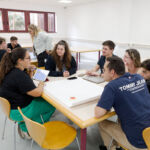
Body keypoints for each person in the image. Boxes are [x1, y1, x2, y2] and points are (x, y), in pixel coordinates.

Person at [95, 56, 150, 150]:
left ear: (112, 72)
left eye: (104, 70)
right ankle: (117, 145)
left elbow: (98, 113)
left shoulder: (111, 87)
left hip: (140, 143)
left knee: (102, 122)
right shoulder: (138, 77)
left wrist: (103, 99)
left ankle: (111, 148)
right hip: (148, 133)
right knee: (121, 119)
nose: (102, 73)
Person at [0, 47, 55, 139]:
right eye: (28, 58)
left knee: (43, 100)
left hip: (13, 107)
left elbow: (25, 85)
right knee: (52, 105)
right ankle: (28, 128)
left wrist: (29, 72)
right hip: (19, 111)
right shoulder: (19, 75)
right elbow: (37, 93)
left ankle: (26, 124)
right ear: (20, 60)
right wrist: (41, 82)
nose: (31, 60)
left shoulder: (10, 70)